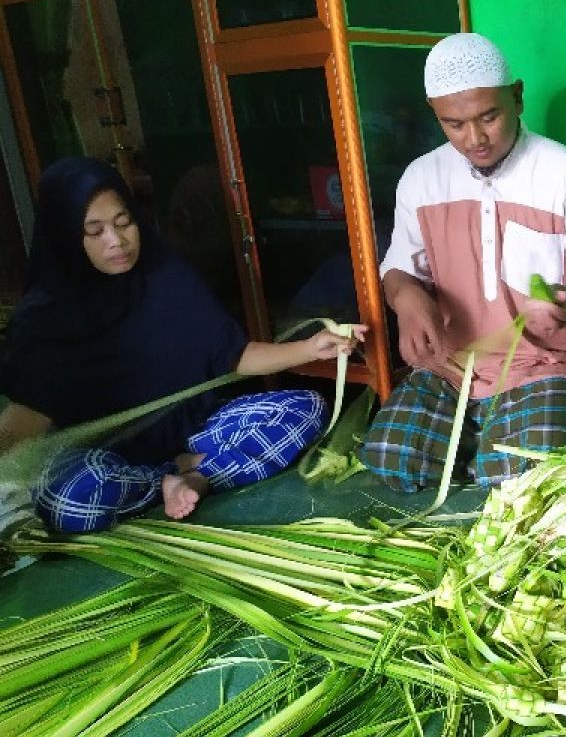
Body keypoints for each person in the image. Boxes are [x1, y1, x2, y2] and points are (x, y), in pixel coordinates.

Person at [0, 157, 364, 533]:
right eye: (95, 231)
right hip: (103, 459)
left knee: (303, 410)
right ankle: (173, 476)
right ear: (65, 239)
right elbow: (25, 418)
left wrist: (310, 348)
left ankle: (194, 477)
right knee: (70, 497)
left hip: (191, 432)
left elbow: (231, 356)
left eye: (124, 223)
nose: (117, 240)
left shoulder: (164, 278)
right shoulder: (46, 318)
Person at [360, 33, 566, 492]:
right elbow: (400, 267)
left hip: (545, 361)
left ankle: (492, 440)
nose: (475, 138)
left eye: (490, 116)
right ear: (436, 114)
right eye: (454, 124)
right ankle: (484, 432)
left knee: (520, 477)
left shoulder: (565, 172)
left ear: (517, 97)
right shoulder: (422, 178)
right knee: (392, 459)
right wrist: (406, 302)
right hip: (452, 365)